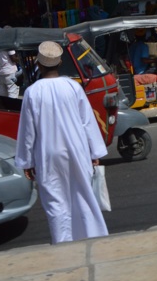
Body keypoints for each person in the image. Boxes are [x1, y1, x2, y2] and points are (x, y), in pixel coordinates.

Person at [13, 41, 108, 244]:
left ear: (39, 64)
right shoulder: (73, 87)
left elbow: (28, 131)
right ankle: (94, 238)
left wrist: (26, 161)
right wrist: (95, 153)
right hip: (77, 150)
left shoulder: (32, 92)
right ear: (60, 62)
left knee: (56, 201)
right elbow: (87, 122)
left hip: (48, 153)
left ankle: (63, 242)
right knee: (83, 194)